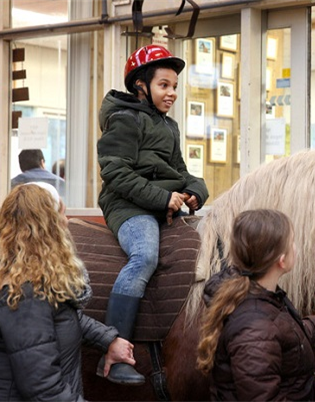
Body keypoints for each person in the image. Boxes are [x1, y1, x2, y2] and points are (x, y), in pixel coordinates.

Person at [96, 44, 209, 385]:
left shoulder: (169, 126)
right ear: (141, 85)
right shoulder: (124, 120)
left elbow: (180, 169)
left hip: (161, 204)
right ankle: (113, 352)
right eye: (164, 85)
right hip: (128, 207)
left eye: (175, 86)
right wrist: (163, 198)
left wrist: (196, 190)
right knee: (144, 256)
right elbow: (114, 172)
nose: (172, 92)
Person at [0, 182, 137, 401]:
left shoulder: (31, 282)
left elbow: (60, 316)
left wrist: (108, 340)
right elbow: (42, 389)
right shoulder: (24, 293)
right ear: (47, 227)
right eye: (62, 214)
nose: (66, 221)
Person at [196, 209, 315, 401]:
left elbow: (296, 336)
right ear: (281, 260)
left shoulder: (262, 300)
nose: (295, 246)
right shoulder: (255, 328)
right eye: (292, 241)